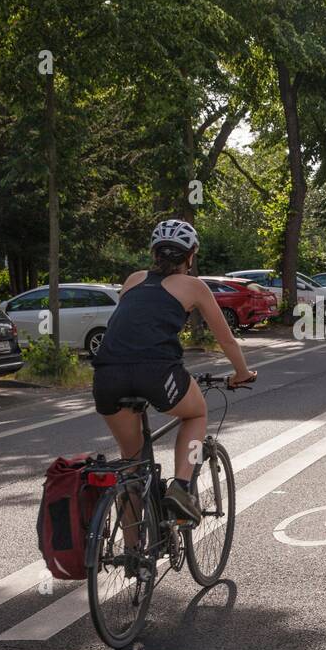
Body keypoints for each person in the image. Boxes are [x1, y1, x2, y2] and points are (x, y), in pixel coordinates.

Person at [91, 219, 257, 521]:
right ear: (190, 255)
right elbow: (226, 339)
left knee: (132, 465)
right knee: (196, 414)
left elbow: (129, 324)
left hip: (106, 374)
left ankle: (133, 557)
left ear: (154, 252)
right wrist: (242, 373)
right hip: (155, 371)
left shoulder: (133, 280)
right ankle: (181, 487)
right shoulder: (194, 286)